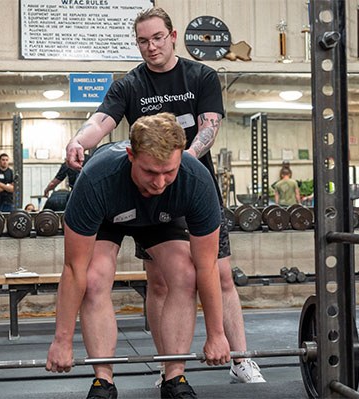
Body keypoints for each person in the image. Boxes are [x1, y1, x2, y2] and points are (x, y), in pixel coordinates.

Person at [64, 7, 265, 385]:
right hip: (149, 193)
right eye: (143, 40)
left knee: (219, 274)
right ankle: (169, 365)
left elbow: (209, 127)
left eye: (157, 38)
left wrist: (179, 166)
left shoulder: (200, 75)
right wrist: (78, 140)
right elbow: (101, 121)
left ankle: (240, 358)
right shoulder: (130, 85)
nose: (151, 46)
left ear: (172, 37)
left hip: (192, 187)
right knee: (159, 280)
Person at [46, 113, 230, 399]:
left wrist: (217, 334)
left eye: (168, 171)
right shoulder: (96, 179)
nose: (159, 182)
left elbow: (208, 266)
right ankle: (103, 380)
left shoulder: (195, 180)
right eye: (150, 172)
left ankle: (174, 377)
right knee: (94, 278)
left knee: (186, 273)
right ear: (131, 155)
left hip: (162, 217)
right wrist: (62, 340)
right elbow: (74, 269)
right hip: (109, 215)